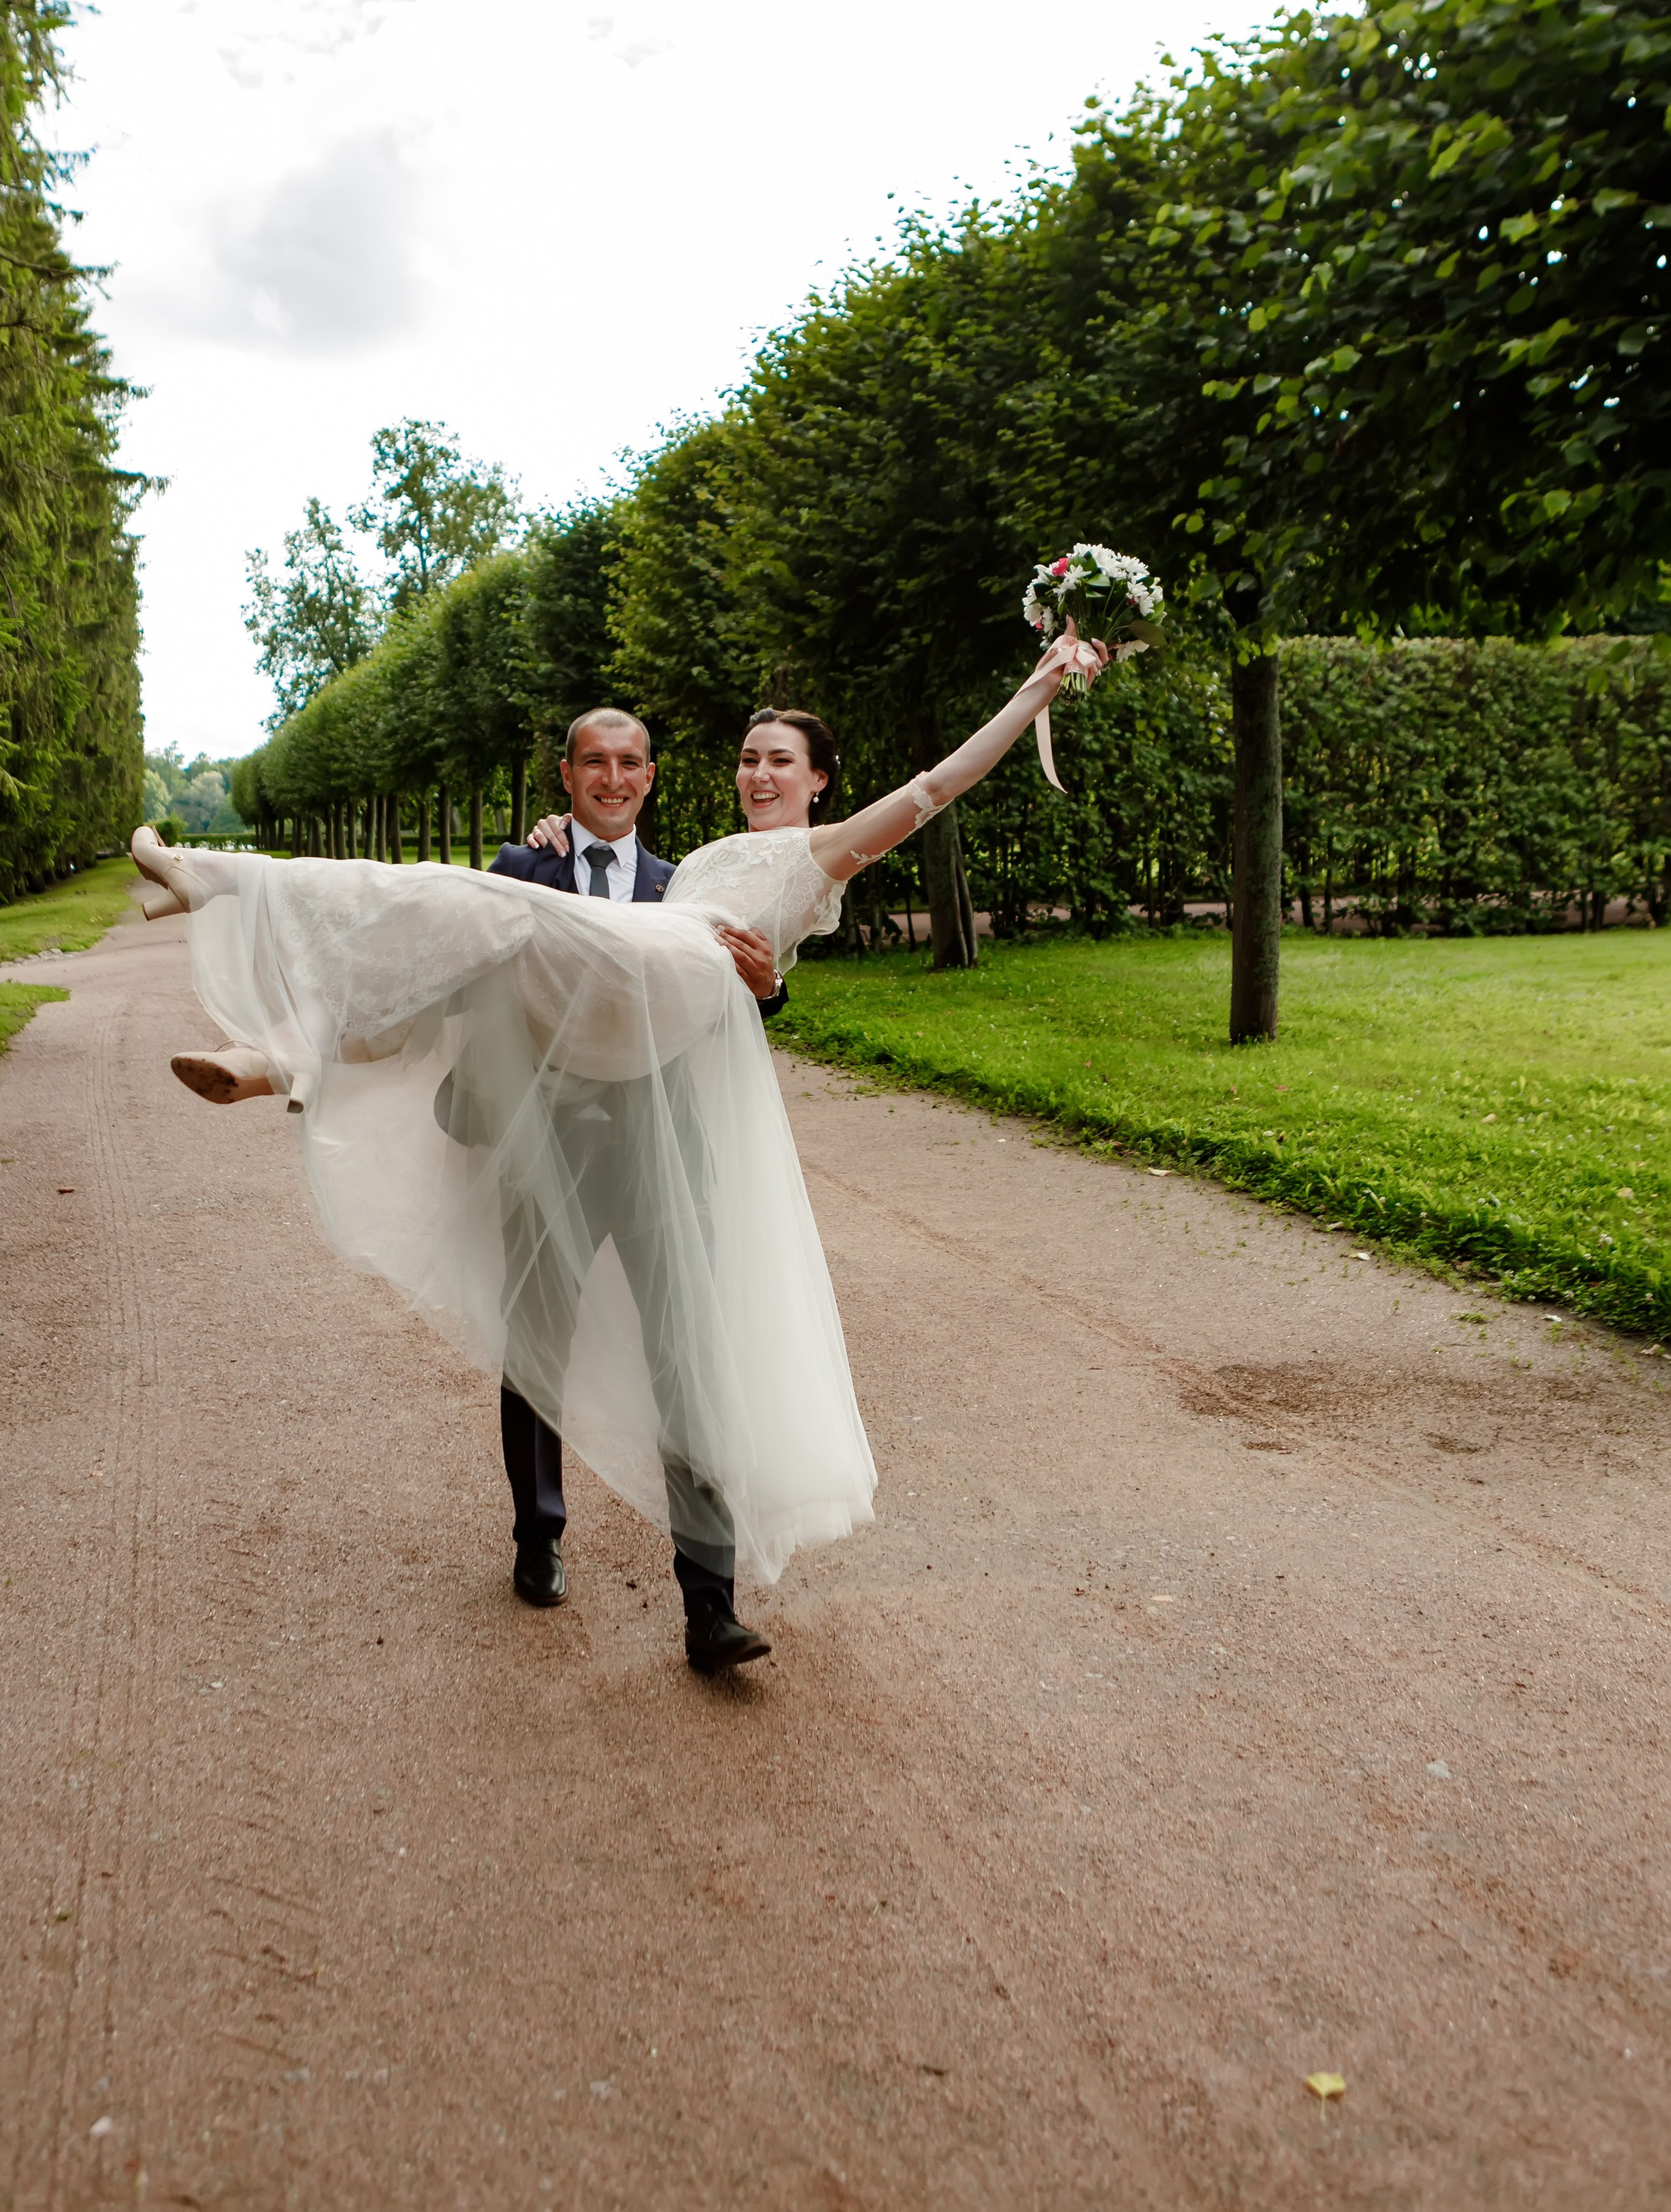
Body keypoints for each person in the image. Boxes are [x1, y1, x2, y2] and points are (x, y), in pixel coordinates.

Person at [133, 628, 1104, 1678]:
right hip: (562, 1108)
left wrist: (1032, 692)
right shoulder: (688, 867)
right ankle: (283, 1043)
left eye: (783, 760)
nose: (762, 772)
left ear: (821, 782)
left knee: (687, 1359)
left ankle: (710, 1605)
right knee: (480, 924)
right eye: (749, 757)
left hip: (660, 1128)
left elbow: (937, 786)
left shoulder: (810, 857)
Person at [482, 708, 787, 1651]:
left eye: (629, 764)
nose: (612, 778)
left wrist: (766, 987)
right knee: (537, 1350)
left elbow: (728, 1019)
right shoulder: (516, 873)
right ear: (565, 777)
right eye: (593, 763)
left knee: (689, 1363)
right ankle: (539, 1534)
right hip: (550, 1154)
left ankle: (711, 1598)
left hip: (665, 1158)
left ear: (650, 779)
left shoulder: (686, 887)